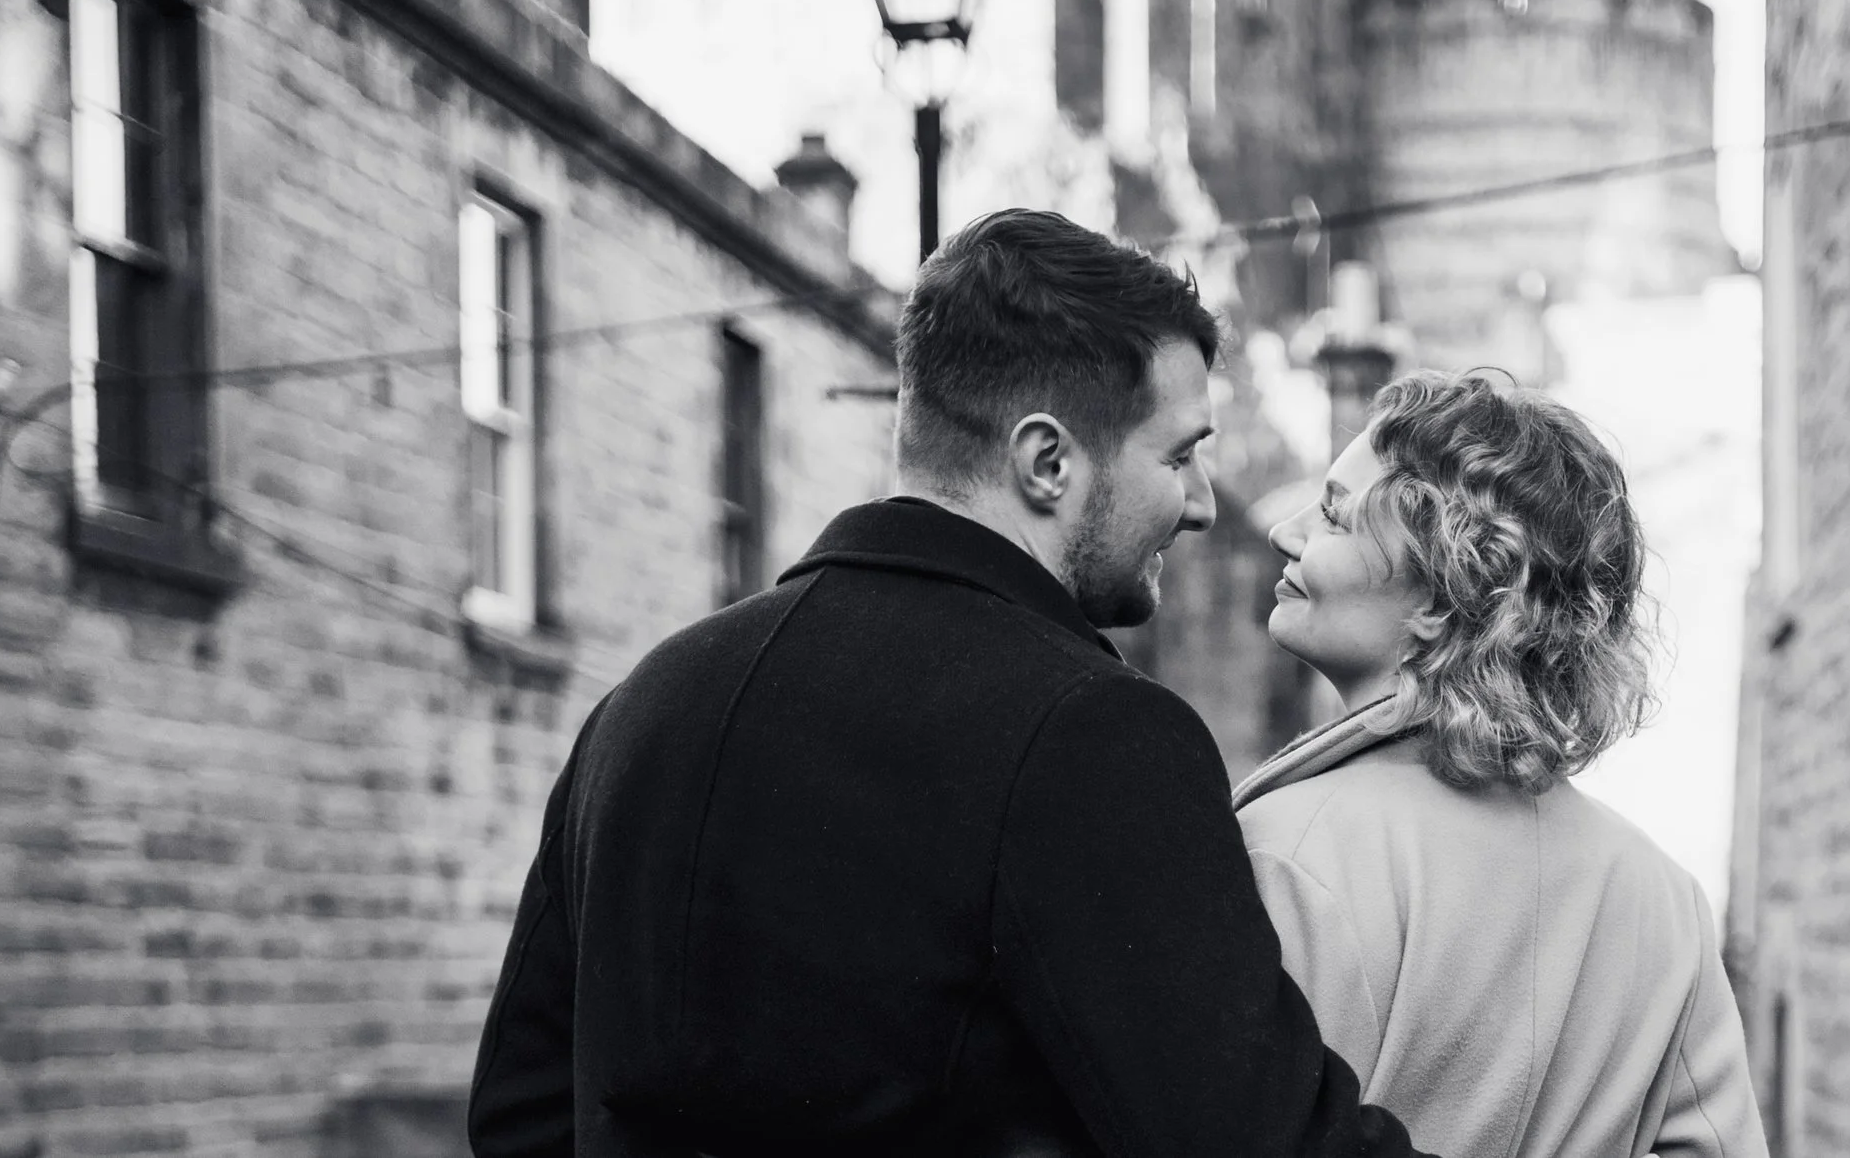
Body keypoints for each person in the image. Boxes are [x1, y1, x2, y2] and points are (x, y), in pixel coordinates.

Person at [469, 209, 1433, 1158]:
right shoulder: (1092, 736)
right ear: (1047, 461)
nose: (1201, 504)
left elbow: (518, 1114)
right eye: (1178, 454)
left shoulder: (642, 705)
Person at [1236, 370, 1766, 1158]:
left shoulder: (1291, 852)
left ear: (1442, 593)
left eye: (1334, 514)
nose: (1286, 530)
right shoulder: (1661, 899)